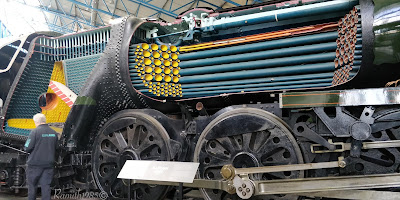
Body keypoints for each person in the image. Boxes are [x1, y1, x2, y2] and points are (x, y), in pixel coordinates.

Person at [24, 113, 58, 200]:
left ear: (36, 122)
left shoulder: (34, 132)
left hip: (35, 165)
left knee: (32, 187)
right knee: (46, 187)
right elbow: (56, 148)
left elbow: (27, 147)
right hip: (49, 165)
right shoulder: (54, 133)